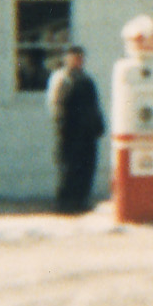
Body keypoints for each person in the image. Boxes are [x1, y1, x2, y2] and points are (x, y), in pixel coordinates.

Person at [46, 45, 107, 214]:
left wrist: (99, 124)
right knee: (68, 167)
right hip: (69, 130)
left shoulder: (87, 80)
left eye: (80, 58)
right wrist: (61, 124)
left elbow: (95, 105)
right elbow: (55, 104)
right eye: (74, 58)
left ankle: (82, 200)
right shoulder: (61, 78)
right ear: (67, 59)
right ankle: (65, 203)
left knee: (87, 166)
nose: (78, 61)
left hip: (87, 131)